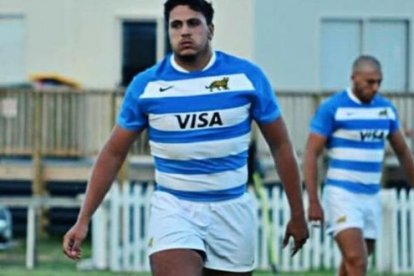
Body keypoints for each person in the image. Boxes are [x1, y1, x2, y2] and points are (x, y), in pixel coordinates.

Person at [63, 0, 309, 275]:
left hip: (231, 210)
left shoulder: (246, 77)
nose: (185, 32)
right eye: (176, 25)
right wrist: (83, 219)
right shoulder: (148, 86)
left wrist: (298, 214)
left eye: (193, 23)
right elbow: (112, 153)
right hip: (174, 208)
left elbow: (280, 146)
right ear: (168, 32)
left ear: (210, 29)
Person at [304, 55, 414, 276]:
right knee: (357, 260)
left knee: (355, 261)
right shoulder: (333, 108)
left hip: (371, 196)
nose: (375, 87)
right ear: (354, 78)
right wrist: (314, 200)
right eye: (369, 82)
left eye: (379, 82)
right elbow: (311, 152)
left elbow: (402, 151)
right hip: (341, 195)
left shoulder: (386, 109)